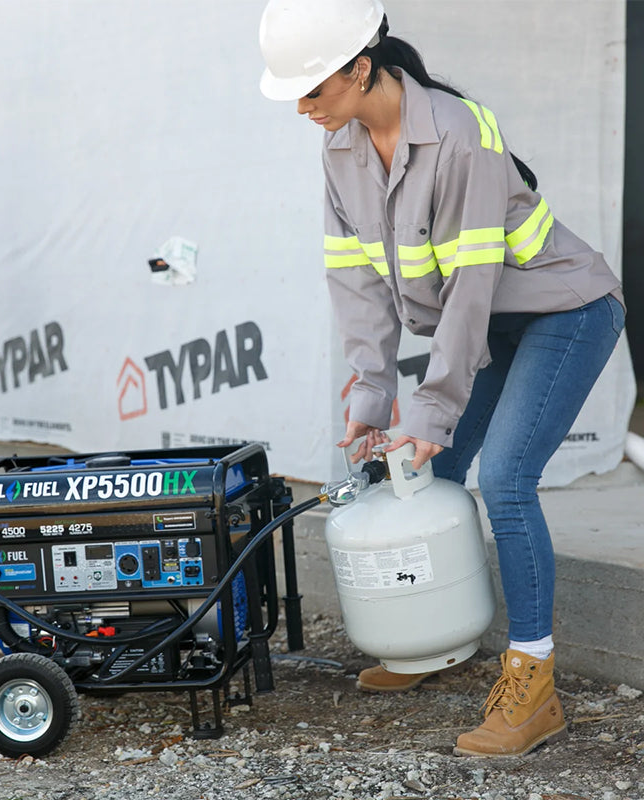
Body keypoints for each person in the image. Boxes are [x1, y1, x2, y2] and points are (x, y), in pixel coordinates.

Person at [258, 0, 626, 757]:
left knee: (507, 478)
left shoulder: (458, 135)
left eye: (314, 89)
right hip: (491, 321)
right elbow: (356, 282)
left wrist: (429, 408)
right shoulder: (342, 150)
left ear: (361, 69)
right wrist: (371, 392)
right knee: (437, 469)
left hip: (567, 311)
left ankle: (535, 682)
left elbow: (470, 291)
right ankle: (432, 643)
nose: (303, 106)